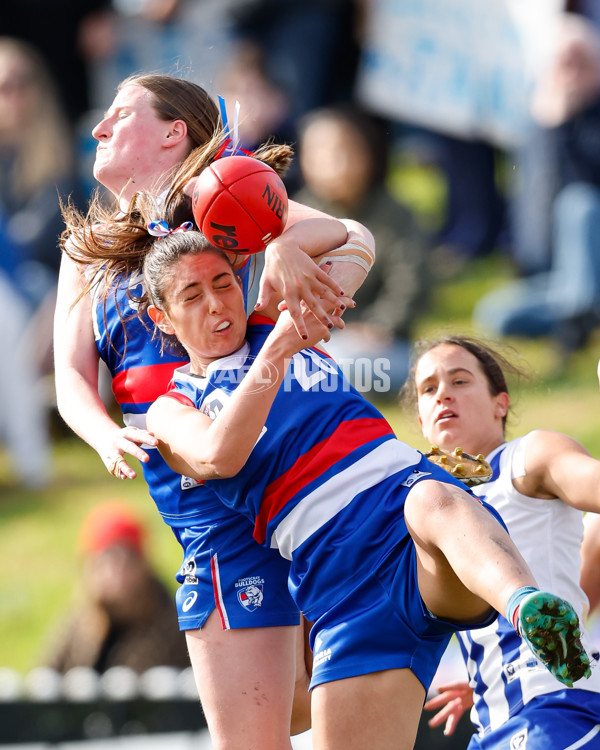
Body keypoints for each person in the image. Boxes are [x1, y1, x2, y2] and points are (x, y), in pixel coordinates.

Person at [143, 229, 591, 750]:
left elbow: (353, 240)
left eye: (224, 283)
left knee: (432, 497)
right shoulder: (173, 406)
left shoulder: (274, 317)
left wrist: (281, 243)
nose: (216, 304)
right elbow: (218, 454)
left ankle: (526, 606)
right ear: (162, 318)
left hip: (400, 512)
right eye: (192, 296)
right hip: (337, 584)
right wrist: (282, 350)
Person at [53, 72, 374, 748]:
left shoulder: (228, 197)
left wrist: (285, 247)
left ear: (175, 132)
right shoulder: (86, 252)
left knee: (310, 705)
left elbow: (350, 237)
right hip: (200, 494)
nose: (97, 128)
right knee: (272, 716)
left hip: (291, 464)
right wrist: (103, 433)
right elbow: (70, 381)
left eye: (118, 113)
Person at [400, 334, 600, 748]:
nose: (443, 396)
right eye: (429, 388)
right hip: (492, 723)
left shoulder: (526, 458)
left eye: (459, 381)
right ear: (420, 420)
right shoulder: (424, 506)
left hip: (556, 708)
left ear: (500, 404)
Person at [473, 13, 600, 359]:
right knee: (496, 315)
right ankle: (578, 313)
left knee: (579, 203)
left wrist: (566, 124)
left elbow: (582, 183)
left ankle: (574, 328)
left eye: (581, 63)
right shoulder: (534, 126)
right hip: (553, 281)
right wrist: (550, 125)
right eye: (563, 63)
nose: (572, 73)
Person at [293, 104, 430, 394]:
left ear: (368, 153)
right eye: (321, 152)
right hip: (311, 343)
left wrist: (380, 326)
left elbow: (411, 283)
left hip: (380, 344)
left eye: (345, 149)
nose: (335, 161)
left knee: (356, 366)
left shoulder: (397, 215)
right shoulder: (295, 216)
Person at [0, 37, 81, 487]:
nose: (12, 97)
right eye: (2, 86)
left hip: (51, 295)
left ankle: (31, 456)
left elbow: (62, 247)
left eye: (20, 83)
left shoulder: (62, 159)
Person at [41, 501, 190, 675]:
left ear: (142, 565)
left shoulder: (170, 623)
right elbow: (44, 678)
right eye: (105, 561)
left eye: (125, 559)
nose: (115, 571)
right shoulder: (81, 621)